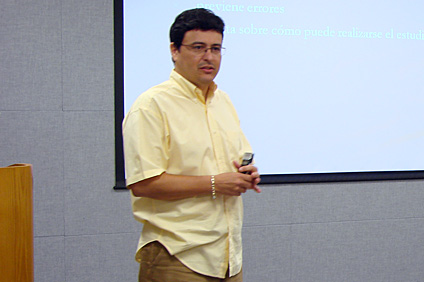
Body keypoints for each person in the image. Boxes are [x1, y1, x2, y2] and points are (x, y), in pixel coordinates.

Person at [122, 8, 261, 282]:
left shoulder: (224, 102)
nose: (209, 57)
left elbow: (235, 160)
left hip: (228, 258)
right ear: (174, 50)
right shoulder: (152, 106)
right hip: (177, 256)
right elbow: (143, 183)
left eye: (216, 48)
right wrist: (214, 183)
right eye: (198, 47)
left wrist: (246, 175)